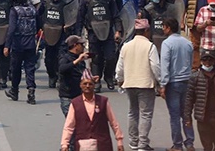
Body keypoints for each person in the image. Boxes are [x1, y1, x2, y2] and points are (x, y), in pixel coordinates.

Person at [115, 18, 161, 151]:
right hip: (146, 85)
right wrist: (160, 82)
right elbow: (156, 67)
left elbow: (120, 67)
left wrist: (120, 80)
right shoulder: (150, 46)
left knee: (133, 113)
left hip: (130, 84)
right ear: (146, 31)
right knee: (145, 114)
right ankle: (142, 143)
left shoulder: (126, 46)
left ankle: (133, 142)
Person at [183, 49, 215, 151]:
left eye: (210, 60)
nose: (207, 63)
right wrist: (187, 118)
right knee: (207, 146)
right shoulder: (195, 78)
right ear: (201, 61)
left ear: (214, 61)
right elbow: (189, 100)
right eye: (205, 60)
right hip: (203, 118)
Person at [60, 70, 125, 151]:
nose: (87, 86)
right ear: (80, 85)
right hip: (82, 145)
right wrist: (64, 144)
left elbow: (113, 122)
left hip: (102, 144)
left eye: (90, 84)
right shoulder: (75, 103)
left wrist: (119, 141)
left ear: (94, 86)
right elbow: (69, 126)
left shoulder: (103, 101)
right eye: (85, 84)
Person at [158, 17, 195, 151]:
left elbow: (165, 65)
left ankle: (177, 145)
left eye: (164, 26)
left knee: (174, 116)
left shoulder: (167, 44)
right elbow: (191, 62)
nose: (162, 29)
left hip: (173, 83)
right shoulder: (187, 43)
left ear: (168, 28)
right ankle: (190, 143)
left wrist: (163, 85)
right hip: (187, 81)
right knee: (186, 114)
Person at [4, 0, 39, 105]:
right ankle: (31, 92)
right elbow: (38, 24)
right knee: (30, 69)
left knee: (16, 69)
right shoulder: (33, 9)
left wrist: (7, 45)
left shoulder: (14, 11)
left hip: (18, 45)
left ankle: (14, 90)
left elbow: (12, 29)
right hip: (31, 44)